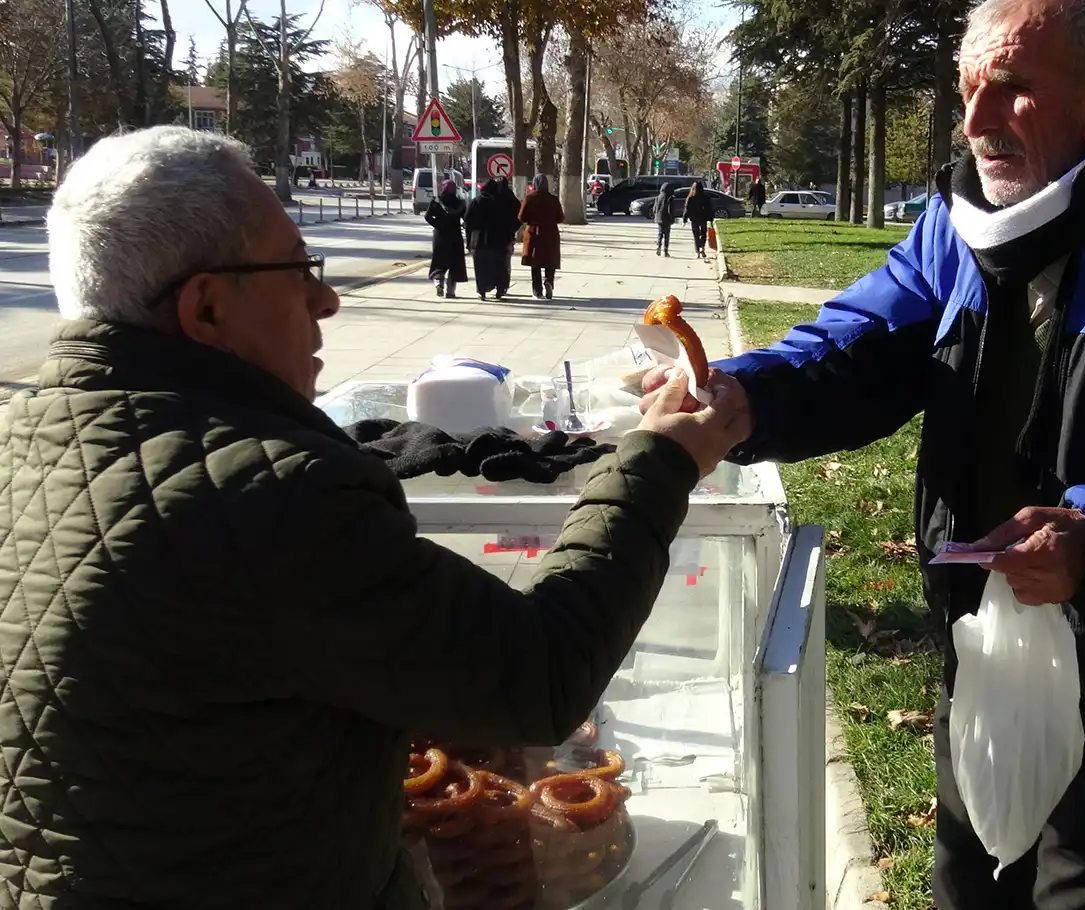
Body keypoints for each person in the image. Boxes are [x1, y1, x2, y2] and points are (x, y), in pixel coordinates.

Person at [642, 0, 1085, 906]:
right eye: (968, 88)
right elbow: (857, 343)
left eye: (1013, 90)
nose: (976, 123)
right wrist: (745, 394)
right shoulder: (960, 224)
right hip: (980, 643)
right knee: (965, 888)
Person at [2, 125, 750, 908]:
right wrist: (660, 462)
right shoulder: (270, 495)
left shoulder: (20, 443)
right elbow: (540, 676)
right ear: (209, 308)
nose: (326, 299)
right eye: (297, 272)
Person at [464, 179, 516, 300]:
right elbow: (508, 221)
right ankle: (499, 289)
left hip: (479, 240)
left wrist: (468, 240)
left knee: (480, 267)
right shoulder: (499, 203)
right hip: (497, 240)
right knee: (498, 266)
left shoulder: (475, 202)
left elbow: (467, 221)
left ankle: (481, 291)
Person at [518, 173, 565, 300]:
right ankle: (549, 281)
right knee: (550, 260)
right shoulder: (553, 199)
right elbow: (560, 217)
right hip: (550, 232)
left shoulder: (530, 198)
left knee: (535, 262)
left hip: (534, 232)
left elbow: (521, 217)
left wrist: (531, 221)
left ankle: (537, 291)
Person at [424, 179, 468, 298]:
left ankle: (438, 283)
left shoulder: (436, 201)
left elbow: (427, 216)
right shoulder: (459, 203)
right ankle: (450, 291)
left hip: (440, 237)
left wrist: (438, 225)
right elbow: (466, 219)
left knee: (439, 262)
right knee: (454, 264)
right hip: (455, 237)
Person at [683, 181, 713, 261]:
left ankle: (697, 251)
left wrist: (685, 218)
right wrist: (711, 218)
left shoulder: (691, 197)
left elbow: (687, 208)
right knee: (703, 233)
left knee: (696, 235)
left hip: (694, 218)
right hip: (703, 218)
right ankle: (702, 247)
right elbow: (709, 208)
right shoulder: (705, 197)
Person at [653, 181, 675, 256]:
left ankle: (659, 246)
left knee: (660, 233)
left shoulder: (658, 197)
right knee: (667, 235)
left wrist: (656, 215)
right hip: (667, 219)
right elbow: (670, 210)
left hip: (659, 218)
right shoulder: (670, 198)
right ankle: (666, 250)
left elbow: (654, 209)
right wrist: (672, 218)